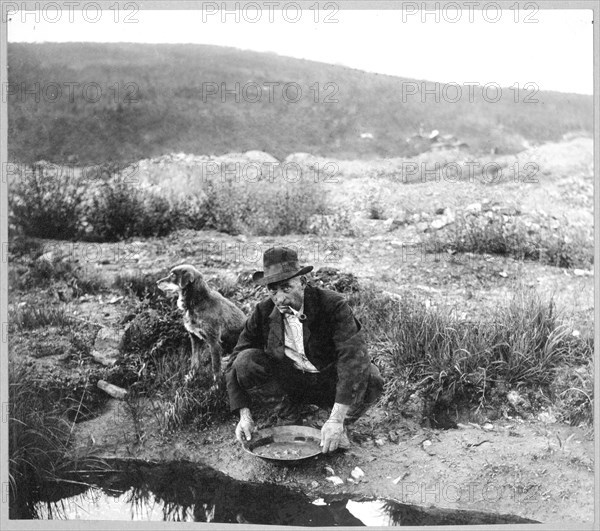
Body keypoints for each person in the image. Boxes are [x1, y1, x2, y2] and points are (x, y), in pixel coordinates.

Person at [225, 246, 384, 453]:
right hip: (291, 383)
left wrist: (336, 419)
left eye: (286, 288)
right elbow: (234, 360)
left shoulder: (332, 305)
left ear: (303, 282)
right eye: (273, 290)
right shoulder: (263, 312)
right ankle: (287, 413)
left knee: (372, 377)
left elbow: (353, 357)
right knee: (245, 361)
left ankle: (337, 423)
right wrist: (244, 416)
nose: (279, 299)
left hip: (329, 382)